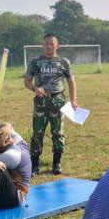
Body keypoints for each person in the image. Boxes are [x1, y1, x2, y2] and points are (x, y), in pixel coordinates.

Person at [24, 33, 78, 175]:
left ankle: (57, 163)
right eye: (46, 43)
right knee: (37, 133)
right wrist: (35, 88)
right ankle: (34, 165)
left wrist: (73, 100)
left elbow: (71, 82)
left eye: (51, 44)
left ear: (57, 46)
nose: (48, 46)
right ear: (43, 45)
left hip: (58, 101)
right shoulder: (35, 62)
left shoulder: (63, 62)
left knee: (57, 132)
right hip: (41, 102)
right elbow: (27, 81)